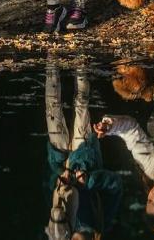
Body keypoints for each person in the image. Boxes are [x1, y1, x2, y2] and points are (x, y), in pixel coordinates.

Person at [44, 60, 122, 239]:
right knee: (81, 104)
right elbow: (116, 184)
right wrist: (89, 181)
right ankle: (80, 59)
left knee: (52, 107)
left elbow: (48, 185)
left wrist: (59, 178)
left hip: (61, 157)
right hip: (85, 155)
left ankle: (51, 58)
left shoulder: (61, 229)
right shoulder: (102, 223)